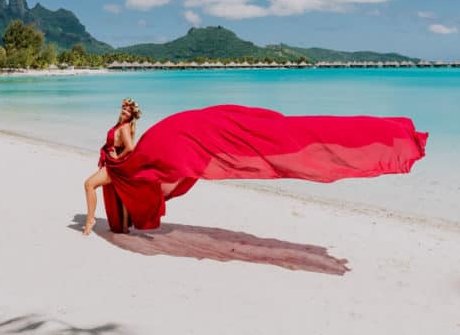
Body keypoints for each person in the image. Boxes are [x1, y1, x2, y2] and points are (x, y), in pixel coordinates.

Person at [82, 102, 428, 237]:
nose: (125, 117)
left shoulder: (129, 131)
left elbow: (129, 150)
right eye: (124, 113)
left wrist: (117, 155)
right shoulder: (127, 124)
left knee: (281, 132)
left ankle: (97, 223)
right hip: (120, 163)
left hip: (120, 165)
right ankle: (115, 223)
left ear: (131, 117)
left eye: (128, 114)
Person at [83, 98, 141, 236]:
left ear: (131, 116)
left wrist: (117, 159)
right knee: (120, 193)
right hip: (113, 163)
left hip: (115, 166)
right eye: (124, 109)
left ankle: (90, 219)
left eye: (128, 111)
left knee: (89, 185)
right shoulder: (119, 125)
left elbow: (130, 148)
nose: (124, 112)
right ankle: (124, 226)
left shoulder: (125, 127)